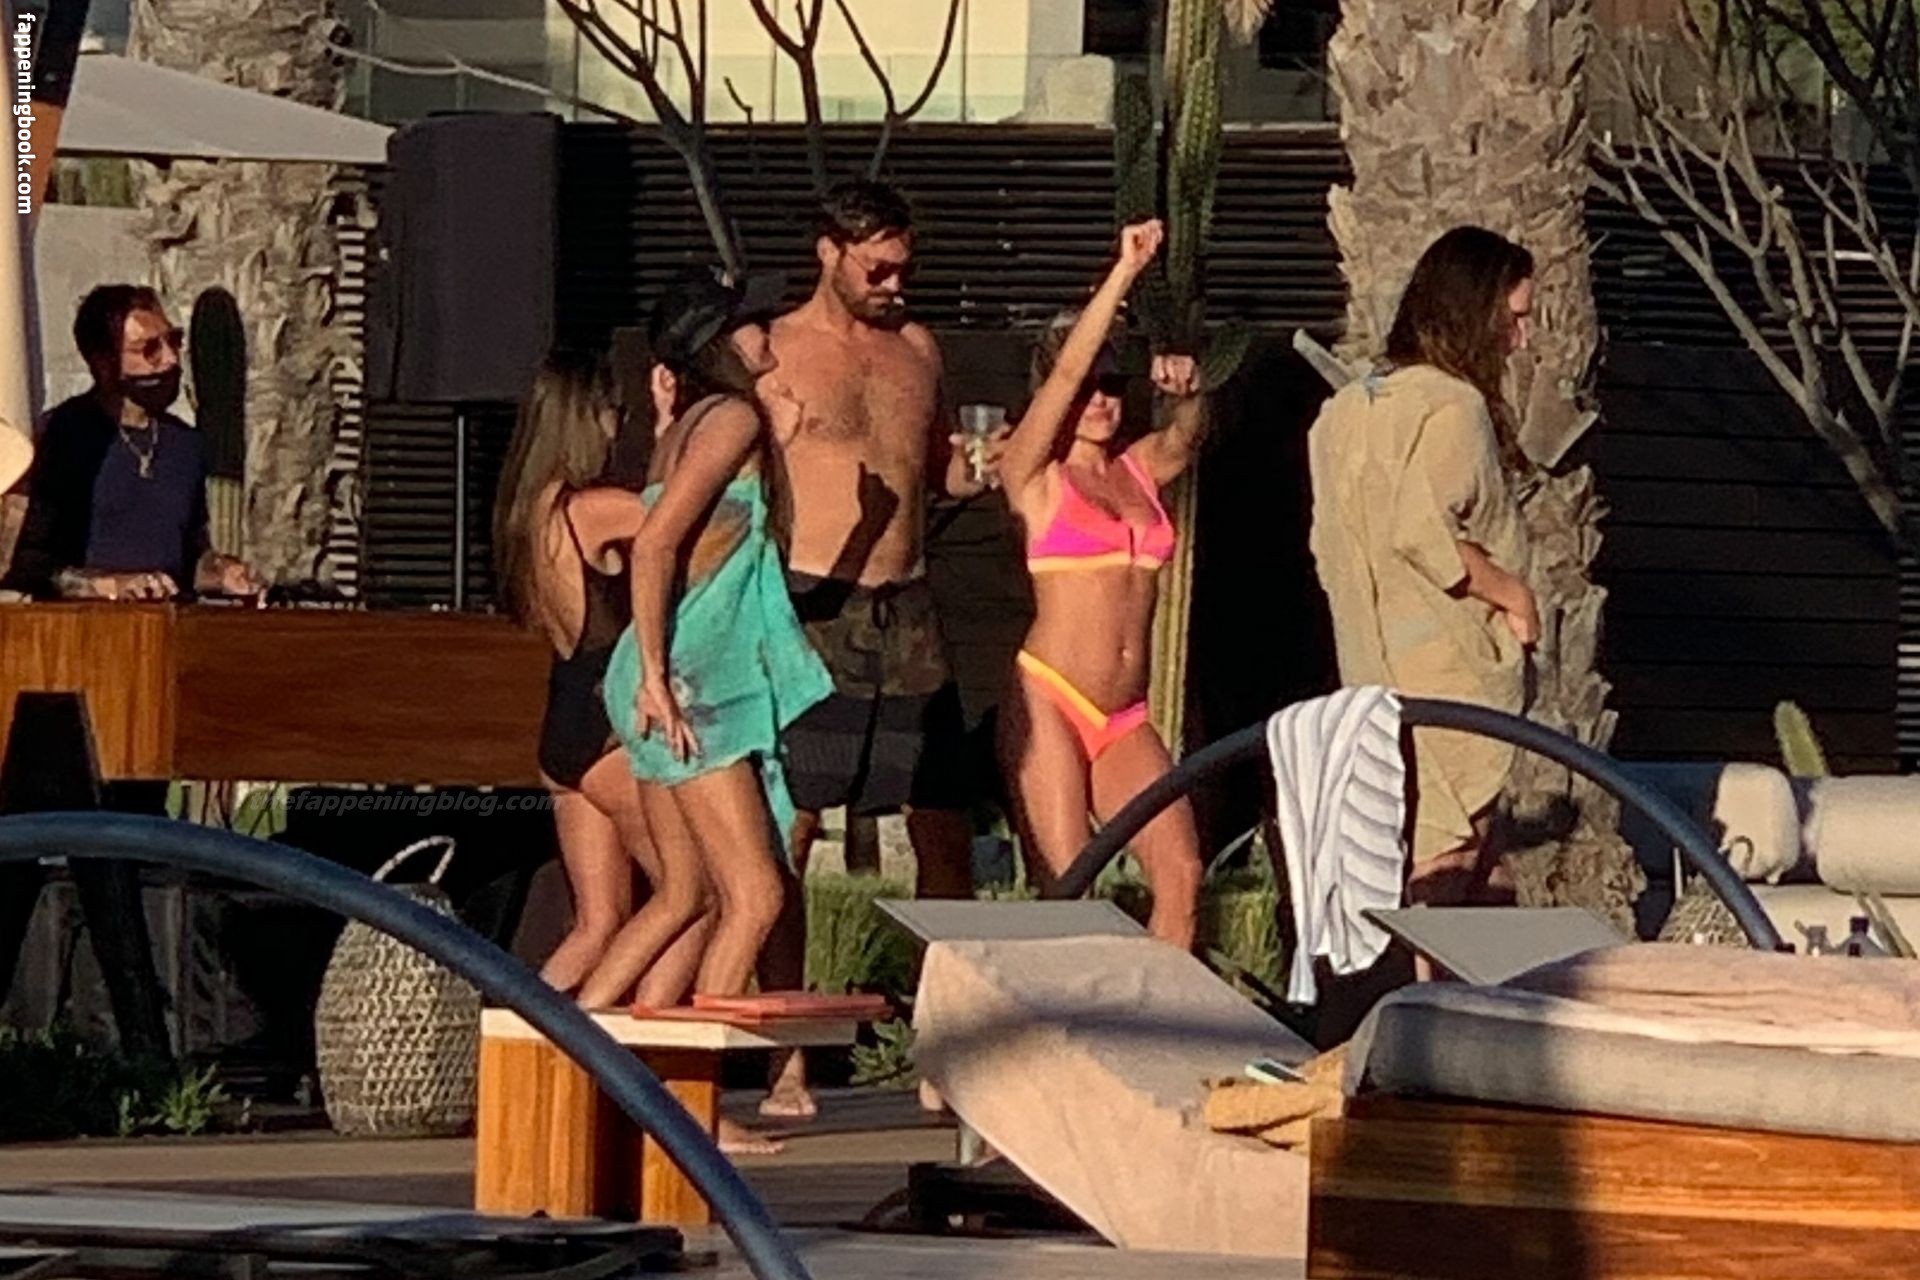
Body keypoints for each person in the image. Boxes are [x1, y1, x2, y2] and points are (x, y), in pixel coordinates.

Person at [756, 178, 1003, 1117]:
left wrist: (981, 465)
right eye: (878, 268)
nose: (895, 284)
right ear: (830, 252)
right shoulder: (775, 350)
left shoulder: (918, 348)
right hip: (813, 603)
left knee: (943, 826)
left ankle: (943, 1050)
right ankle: (786, 1062)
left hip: (909, 606)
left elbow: (938, 468)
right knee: (790, 830)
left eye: (905, 267)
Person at [602, 273, 833, 1010]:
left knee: (685, 894)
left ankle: (580, 1047)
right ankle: (690, 1073)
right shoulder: (732, 418)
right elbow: (654, 545)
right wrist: (657, 679)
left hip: (669, 667)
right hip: (689, 677)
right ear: (721, 342)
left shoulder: (686, 428)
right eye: (755, 322)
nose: (771, 331)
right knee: (757, 895)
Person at [1306, 225, 1539, 912]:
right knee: (1448, 859)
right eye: (1514, 319)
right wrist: (1513, 595)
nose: (1520, 339)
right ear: (1478, 314)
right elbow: (1422, 530)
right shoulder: (1453, 406)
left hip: (1373, 665)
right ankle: (1427, 984)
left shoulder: (1347, 410)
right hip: (1447, 668)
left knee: (1484, 876)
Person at [995, 219, 1206, 948]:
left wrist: (1188, 388)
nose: (1100, 399)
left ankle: (1158, 1015)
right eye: (1089, 386)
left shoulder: (1137, 470)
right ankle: (1062, 1016)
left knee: (1182, 874)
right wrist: (1122, 275)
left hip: (1124, 714)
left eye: (1114, 385)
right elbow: (1061, 378)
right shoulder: (1035, 476)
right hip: (1052, 696)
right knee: (1070, 891)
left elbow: (1187, 436)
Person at [492, 350, 710, 1011]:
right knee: (694, 895)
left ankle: (521, 1035)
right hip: (610, 725)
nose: (620, 426)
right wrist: (677, 434)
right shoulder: (596, 509)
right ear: (586, 420)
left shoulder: (530, 513)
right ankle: (627, 1047)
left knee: (597, 922)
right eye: (614, 413)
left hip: (563, 725)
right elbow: (681, 521)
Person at [5, 284, 260, 599]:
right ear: (103, 362)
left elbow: (189, 558)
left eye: (173, 341)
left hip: (168, 621)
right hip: (79, 625)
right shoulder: (61, 435)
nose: (170, 360)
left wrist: (222, 573)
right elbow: (26, 565)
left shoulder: (186, 444)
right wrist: (108, 586)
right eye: (148, 349)